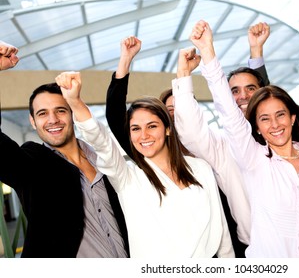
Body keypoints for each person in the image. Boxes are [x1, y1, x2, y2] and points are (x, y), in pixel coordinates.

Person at [186, 20, 299, 258]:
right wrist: (207, 52)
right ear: (256, 125)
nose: (275, 125)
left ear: (293, 118)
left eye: (280, 115)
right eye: (265, 119)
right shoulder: (255, 160)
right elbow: (230, 115)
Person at [55, 71, 234, 258]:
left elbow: (222, 233)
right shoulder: (128, 178)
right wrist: (75, 103)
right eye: (135, 129)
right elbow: (102, 143)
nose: (144, 136)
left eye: (152, 126)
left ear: (167, 129)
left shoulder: (200, 168)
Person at [105, 36, 246, 257]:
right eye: (169, 108)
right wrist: (125, 61)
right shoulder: (144, 155)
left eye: (180, 106)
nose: (175, 112)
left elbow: (220, 226)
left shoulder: (202, 155)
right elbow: (115, 117)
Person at [0, 42, 129, 258]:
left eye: (60, 110)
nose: (53, 120)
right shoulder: (31, 164)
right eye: (42, 114)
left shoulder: (103, 158)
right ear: (32, 121)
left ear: (71, 115)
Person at [173, 22, 270, 257]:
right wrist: (184, 75)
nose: (243, 95)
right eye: (234, 91)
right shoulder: (223, 146)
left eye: (250, 88)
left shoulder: (285, 134)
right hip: (255, 249)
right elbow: (191, 132)